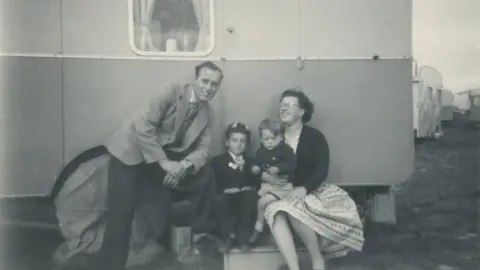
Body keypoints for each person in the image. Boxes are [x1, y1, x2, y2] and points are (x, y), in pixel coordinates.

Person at [97, 61, 224, 270]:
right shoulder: (171, 91)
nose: (208, 88)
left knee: (204, 176)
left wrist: (182, 166)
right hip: (129, 151)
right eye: (205, 81)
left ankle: (183, 249)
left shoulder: (207, 113)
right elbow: (143, 126)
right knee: (121, 215)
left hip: (160, 158)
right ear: (194, 79)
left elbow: (204, 151)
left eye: (214, 85)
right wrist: (165, 163)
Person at [264, 89, 364, 270]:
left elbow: (322, 170)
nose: (284, 109)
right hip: (283, 192)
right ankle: (294, 267)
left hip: (311, 190)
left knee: (293, 207)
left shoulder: (315, 137)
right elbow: (265, 163)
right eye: (282, 105)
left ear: (302, 112)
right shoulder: (275, 137)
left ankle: (317, 259)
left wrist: (303, 189)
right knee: (275, 211)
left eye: (289, 105)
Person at [211, 122, 259, 252]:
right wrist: (226, 190)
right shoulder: (218, 161)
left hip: (244, 198)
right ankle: (227, 237)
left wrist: (244, 170)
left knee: (250, 197)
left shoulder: (251, 162)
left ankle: (243, 239)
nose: (239, 144)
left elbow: (256, 183)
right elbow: (215, 183)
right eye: (235, 140)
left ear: (247, 144)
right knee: (220, 200)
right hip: (226, 197)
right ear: (227, 143)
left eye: (243, 141)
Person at [248, 118, 296, 244]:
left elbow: (292, 164)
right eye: (265, 139)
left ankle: (258, 229)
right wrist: (254, 168)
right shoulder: (261, 151)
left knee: (262, 203)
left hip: (282, 187)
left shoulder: (285, 150)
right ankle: (258, 228)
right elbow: (255, 162)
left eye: (272, 139)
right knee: (253, 201)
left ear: (280, 138)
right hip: (267, 186)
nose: (269, 142)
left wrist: (279, 168)